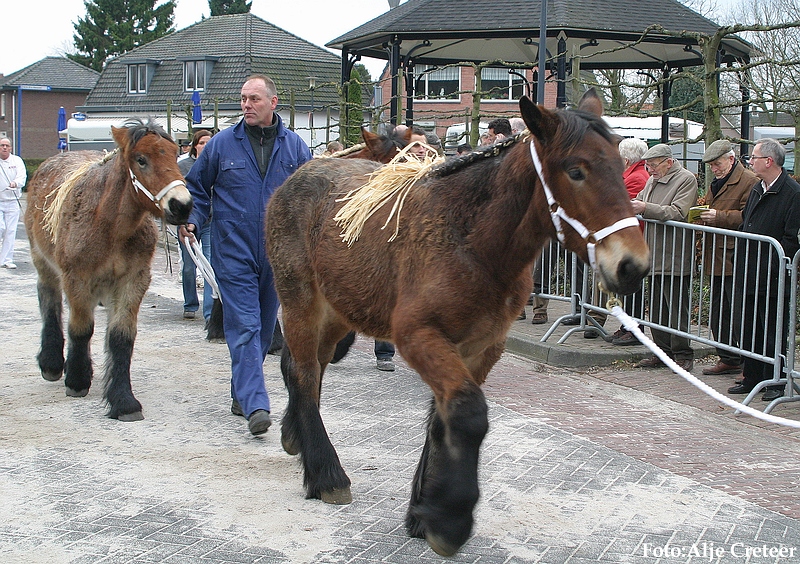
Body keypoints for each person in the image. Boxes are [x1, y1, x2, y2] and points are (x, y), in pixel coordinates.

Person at [179, 74, 312, 436]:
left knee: (266, 329)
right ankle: (257, 404)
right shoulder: (222, 145)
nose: (247, 105)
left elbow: (312, 198)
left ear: (273, 102)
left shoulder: (296, 148)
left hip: (278, 256)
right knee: (246, 326)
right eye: (243, 99)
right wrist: (191, 219)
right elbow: (198, 188)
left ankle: (241, 392)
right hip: (233, 250)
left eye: (254, 99)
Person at [727, 139, 800, 402]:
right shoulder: (759, 187)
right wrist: (739, 256)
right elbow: (748, 223)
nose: (750, 161)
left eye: (754, 157)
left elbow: (792, 238)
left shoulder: (792, 193)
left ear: (769, 161)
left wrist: (775, 267)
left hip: (771, 273)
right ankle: (752, 376)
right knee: (748, 325)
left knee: (772, 328)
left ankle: (775, 380)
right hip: (748, 268)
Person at [631, 144, 698, 371]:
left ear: (668, 162)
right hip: (654, 252)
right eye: (648, 165)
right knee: (658, 308)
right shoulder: (652, 180)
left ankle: (682, 354)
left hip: (675, 253)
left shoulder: (686, 180)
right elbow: (639, 201)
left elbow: (678, 212)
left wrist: (645, 207)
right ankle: (661, 352)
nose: (650, 170)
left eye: (654, 165)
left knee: (676, 307)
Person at [694, 139, 756, 376]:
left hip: (734, 257)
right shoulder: (717, 183)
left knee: (739, 312)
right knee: (719, 313)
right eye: (710, 166)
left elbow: (748, 216)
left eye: (717, 164)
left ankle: (747, 361)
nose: (714, 169)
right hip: (715, 256)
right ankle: (728, 357)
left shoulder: (749, 181)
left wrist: (718, 216)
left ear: (731, 159)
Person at [608, 137, 650, 345]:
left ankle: (634, 328)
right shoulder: (633, 174)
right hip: (628, 239)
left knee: (632, 286)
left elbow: (622, 205)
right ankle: (627, 325)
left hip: (632, 240)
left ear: (625, 159)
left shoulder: (636, 177)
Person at [178, 129, 213, 321]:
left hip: (210, 220)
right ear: (194, 146)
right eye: (202, 143)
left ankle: (209, 312)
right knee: (189, 265)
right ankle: (190, 303)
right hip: (188, 220)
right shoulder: (183, 166)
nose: (206, 146)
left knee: (209, 264)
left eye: (209, 143)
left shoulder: (215, 165)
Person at [0, 138, 26, 269]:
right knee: (1, 228)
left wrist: (15, 183)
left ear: (10, 148)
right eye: (2, 145)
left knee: (10, 231)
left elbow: (22, 176)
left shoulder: (17, 161)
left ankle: (6, 260)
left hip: (12, 201)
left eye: (7, 146)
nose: (4, 148)